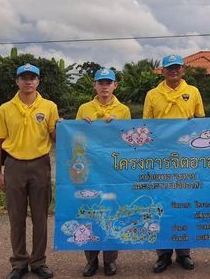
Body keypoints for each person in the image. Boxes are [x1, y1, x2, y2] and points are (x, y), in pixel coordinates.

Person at [0, 63, 58, 279]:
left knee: (40, 217)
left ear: (38, 81)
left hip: (40, 165)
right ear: (17, 81)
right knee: (16, 217)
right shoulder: (5, 108)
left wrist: (62, 128)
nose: (28, 82)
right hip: (14, 166)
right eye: (24, 78)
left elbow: (55, 137)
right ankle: (19, 262)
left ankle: (38, 261)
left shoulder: (49, 106)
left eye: (32, 78)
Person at [143, 54, 205, 273]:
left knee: (184, 203)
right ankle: (163, 254)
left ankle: (184, 253)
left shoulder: (193, 92)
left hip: (186, 158)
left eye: (177, 67)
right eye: (169, 67)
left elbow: (200, 123)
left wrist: (193, 124)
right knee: (160, 204)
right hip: (160, 158)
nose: (173, 71)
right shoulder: (152, 94)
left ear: (183, 70)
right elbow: (147, 127)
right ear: (162, 71)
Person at [76, 68, 131, 277]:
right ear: (95, 85)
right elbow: (76, 137)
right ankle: (91, 260)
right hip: (90, 167)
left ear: (115, 85)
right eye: (101, 83)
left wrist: (117, 126)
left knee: (112, 210)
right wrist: (79, 126)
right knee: (90, 210)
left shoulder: (123, 110)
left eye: (108, 82)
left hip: (113, 167)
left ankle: (110, 260)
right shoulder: (84, 108)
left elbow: (129, 140)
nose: (105, 87)